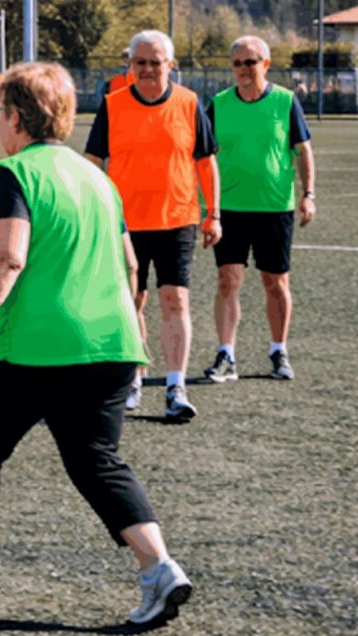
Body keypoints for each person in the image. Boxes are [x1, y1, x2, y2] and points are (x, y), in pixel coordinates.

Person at [0, 61, 193, 626]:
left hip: (37, 346)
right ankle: (159, 567)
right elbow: (130, 264)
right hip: (110, 344)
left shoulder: (13, 174)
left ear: (16, 117)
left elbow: (6, 257)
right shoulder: (97, 178)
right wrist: (133, 330)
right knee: (96, 461)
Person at [84, 30, 221, 421]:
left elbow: (206, 161)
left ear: (171, 65)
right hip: (125, 224)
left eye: (155, 62)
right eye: (139, 62)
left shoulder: (189, 102)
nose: (147, 69)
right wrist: (95, 213)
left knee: (175, 299)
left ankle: (176, 386)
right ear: (130, 64)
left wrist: (214, 213)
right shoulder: (112, 105)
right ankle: (134, 377)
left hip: (177, 219)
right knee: (132, 302)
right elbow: (93, 163)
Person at [203, 36, 314, 383]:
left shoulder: (285, 101)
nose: (243, 69)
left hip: (274, 208)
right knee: (227, 281)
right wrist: (205, 206)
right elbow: (202, 156)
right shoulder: (218, 104)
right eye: (237, 63)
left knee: (275, 283)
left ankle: (279, 350)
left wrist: (308, 194)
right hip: (229, 208)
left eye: (250, 62)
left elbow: (303, 150)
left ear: (266, 64)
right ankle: (226, 353)